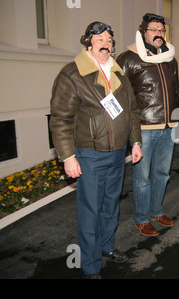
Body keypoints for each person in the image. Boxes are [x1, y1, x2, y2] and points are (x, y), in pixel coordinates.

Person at [50, 21, 143, 278]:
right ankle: (90, 265)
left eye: (109, 40)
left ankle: (106, 246)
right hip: (89, 155)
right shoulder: (73, 73)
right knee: (90, 210)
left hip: (116, 154)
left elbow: (133, 112)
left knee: (110, 205)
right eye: (100, 38)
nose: (106, 43)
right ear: (88, 42)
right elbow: (60, 118)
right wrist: (68, 157)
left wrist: (135, 142)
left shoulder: (119, 73)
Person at [117, 13, 179, 237]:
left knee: (162, 173)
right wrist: (128, 129)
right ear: (144, 32)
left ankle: (156, 212)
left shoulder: (170, 59)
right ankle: (141, 219)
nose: (158, 34)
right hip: (144, 128)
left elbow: (174, 92)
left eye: (161, 30)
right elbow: (119, 96)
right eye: (153, 29)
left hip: (168, 126)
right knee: (142, 177)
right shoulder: (128, 58)